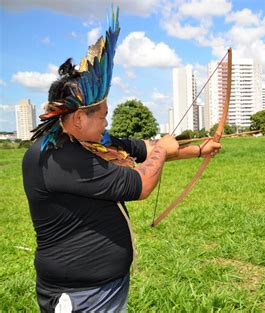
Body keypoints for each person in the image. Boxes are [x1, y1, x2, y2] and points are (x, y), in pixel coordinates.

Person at [22, 8, 221, 312]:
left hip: (102, 285)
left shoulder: (88, 141)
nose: (106, 123)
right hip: (81, 294)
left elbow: (143, 147)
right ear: (77, 117)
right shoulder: (59, 157)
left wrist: (199, 149)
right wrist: (162, 151)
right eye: (101, 116)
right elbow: (140, 183)